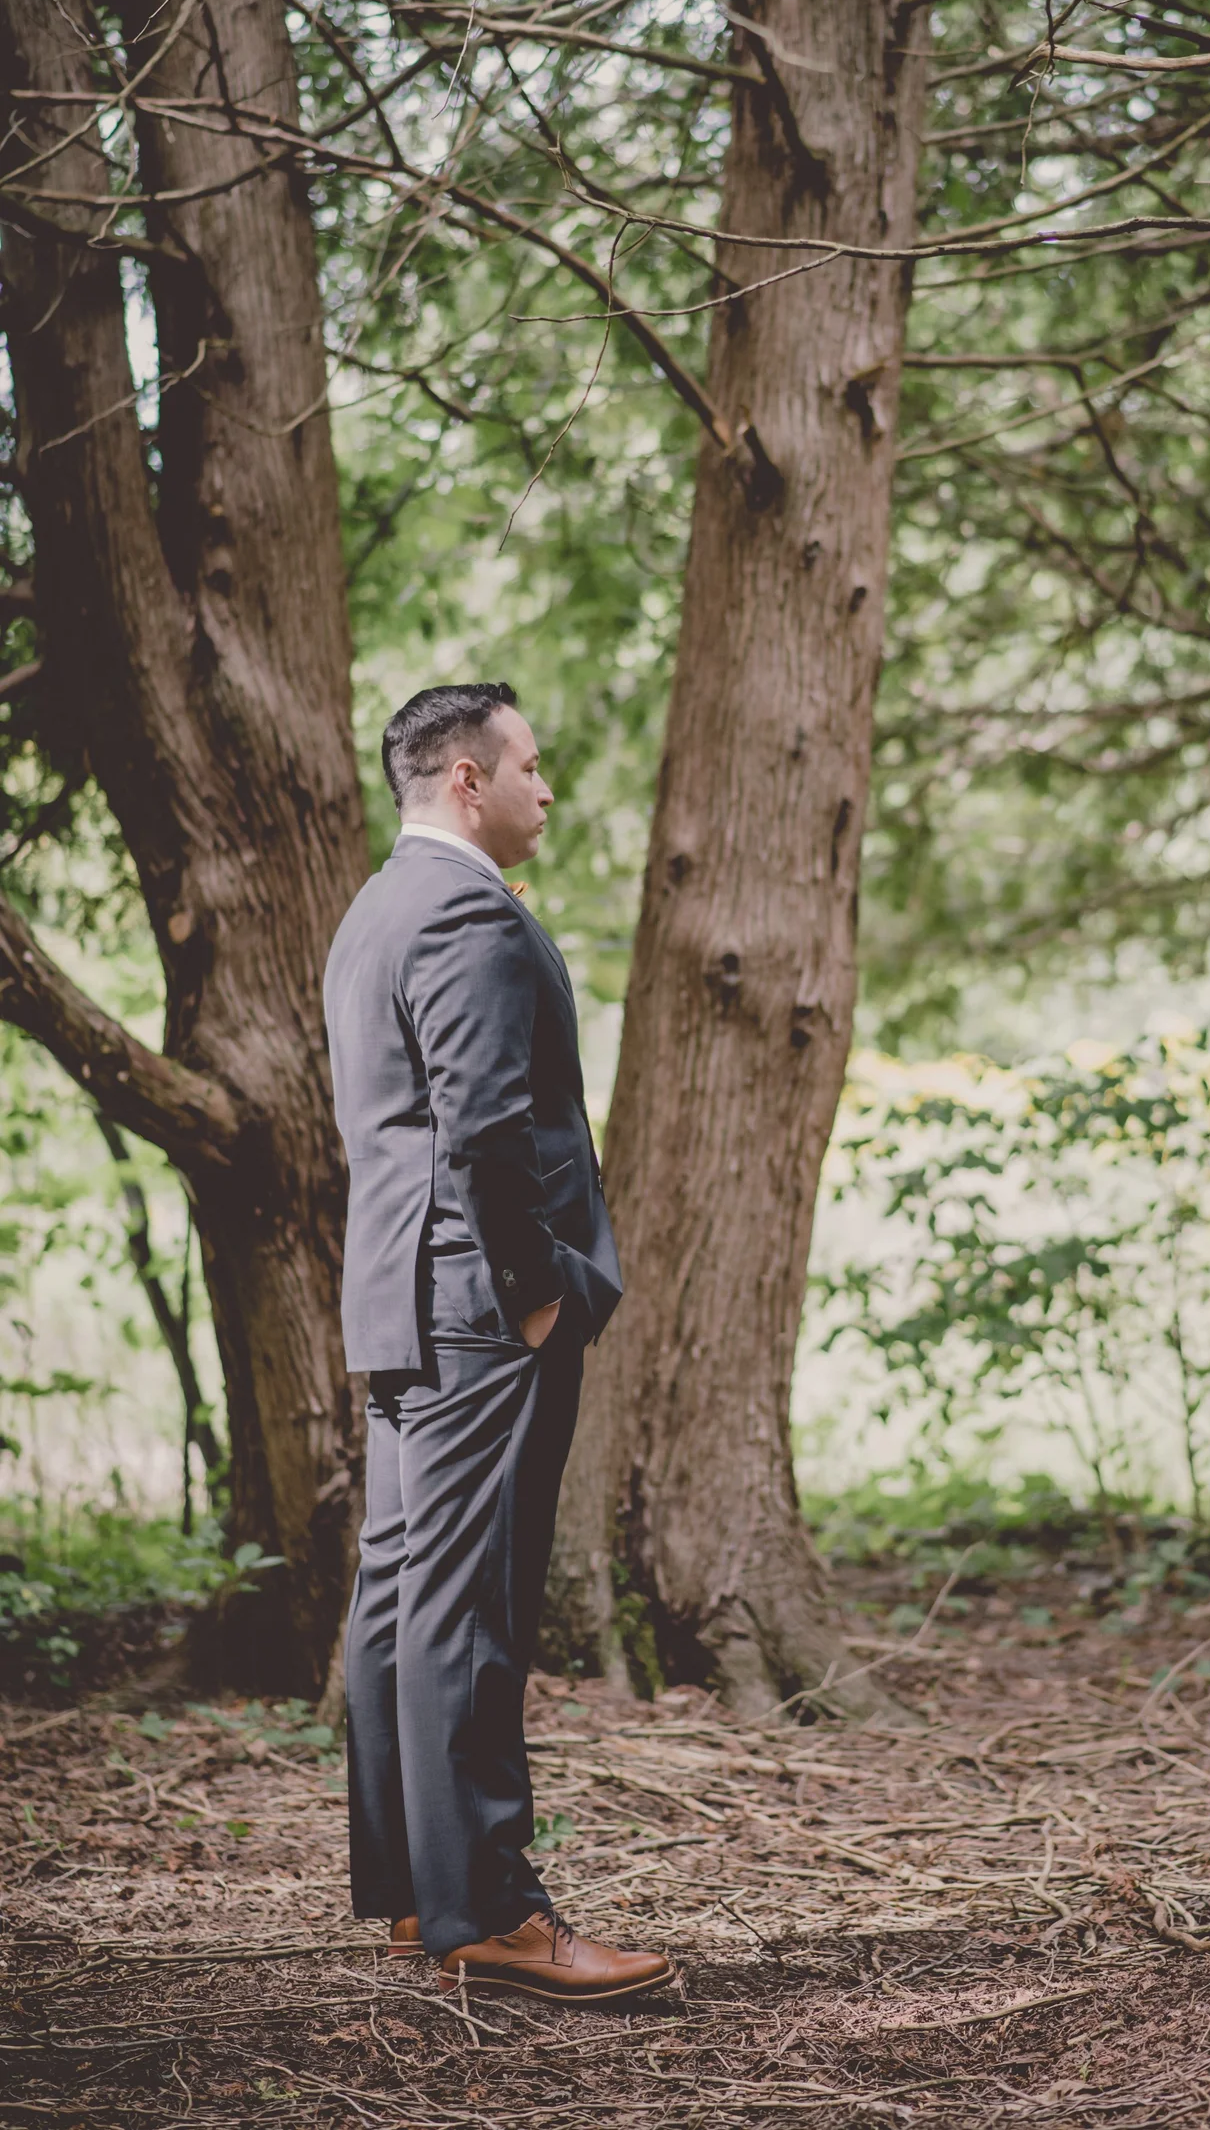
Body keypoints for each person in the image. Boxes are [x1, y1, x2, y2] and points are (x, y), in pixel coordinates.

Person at [324, 681, 670, 2002]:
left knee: (404, 1597)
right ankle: (494, 1918)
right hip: (477, 1309)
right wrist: (538, 1291)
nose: (546, 786)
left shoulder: (376, 909)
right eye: (531, 763)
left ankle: (421, 1893)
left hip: (404, 1301)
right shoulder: (465, 910)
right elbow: (475, 1126)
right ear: (467, 779)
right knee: (466, 1611)